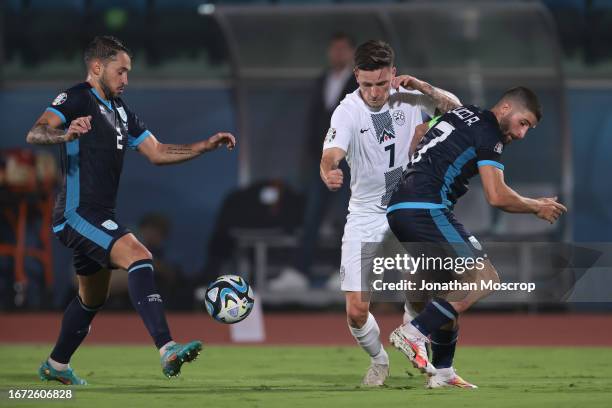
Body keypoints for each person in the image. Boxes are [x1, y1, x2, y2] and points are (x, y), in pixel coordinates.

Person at [26, 36, 236, 385]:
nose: (126, 79)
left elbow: (157, 152)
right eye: (120, 71)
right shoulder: (77, 97)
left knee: (92, 298)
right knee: (140, 256)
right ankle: (167, 347)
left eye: (128, 72)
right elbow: (36, 132)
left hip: (97, 214)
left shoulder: (122, 110)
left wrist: (205, 146)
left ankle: (56, 365)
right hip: (76, 214)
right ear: (97, 67)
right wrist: (65, 135)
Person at [386, 87, 567, 388]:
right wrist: (536, 206)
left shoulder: (462, 112)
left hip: (401, 206)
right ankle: (413, 332)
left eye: (529, 129)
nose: (522, 134)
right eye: (523, 123)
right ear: (507, 107)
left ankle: (442, 372)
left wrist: (422, 169)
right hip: (425, 207)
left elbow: (420, 131)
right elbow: (496, 196)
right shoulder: (490, 134)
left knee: (449, 290)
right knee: (483, 277)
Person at [319, 40, 460, 386]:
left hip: (409, 208)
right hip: (366, 214)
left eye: (381, 83)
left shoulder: (410, 96)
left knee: (422, 291)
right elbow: (330, 153)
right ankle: (379, 360)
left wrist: (422, 86)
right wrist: (329, 169)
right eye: (366, 84)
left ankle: (413, 337)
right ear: (356, 77)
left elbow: (458, 110)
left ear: (393, 74)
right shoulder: (347, 110)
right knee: (355, 310)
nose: (374, 92)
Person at [271, 32, 357, 290]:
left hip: (349, 163)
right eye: (334, 49)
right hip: (321, 162)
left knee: (345, 218)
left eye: (343, 49)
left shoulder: (360, 82)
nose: (338, 54)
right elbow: (314, 121)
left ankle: (343, 272)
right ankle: (299, 271)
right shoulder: (322, 80)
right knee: (311, 217)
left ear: (352, 53)